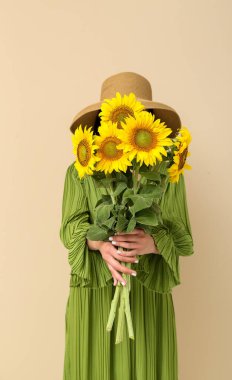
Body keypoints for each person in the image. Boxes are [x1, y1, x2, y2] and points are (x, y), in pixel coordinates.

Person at [59, 72, 194, 380]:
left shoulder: (168, 171)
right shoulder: (80, 171)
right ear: (102, 122)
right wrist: (99, 245)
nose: (123, 126)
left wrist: (153, 242)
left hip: (146, 293)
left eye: (134, 117)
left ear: (146, 122)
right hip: (94, 292)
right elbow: (69, 229)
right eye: (118, 118)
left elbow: (182, 238)